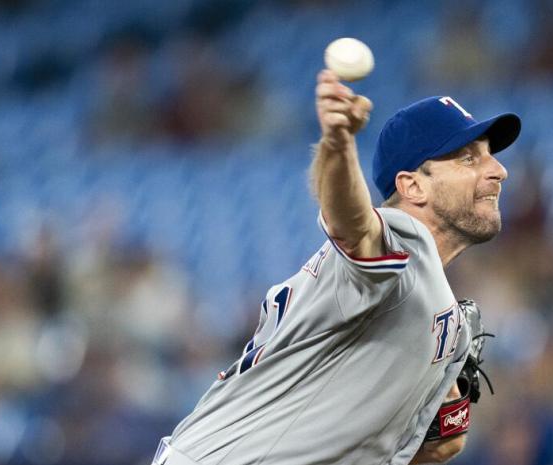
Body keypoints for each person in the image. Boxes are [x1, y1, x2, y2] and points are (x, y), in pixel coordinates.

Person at [152, 69, 520, 465]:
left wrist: (446, 399)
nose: (498, 170)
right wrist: (338, 143)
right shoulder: (401, 240)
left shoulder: (442, 316)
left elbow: (438, 447)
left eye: (490, 156)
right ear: (413, 186)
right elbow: (352, 222)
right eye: (468, 158)